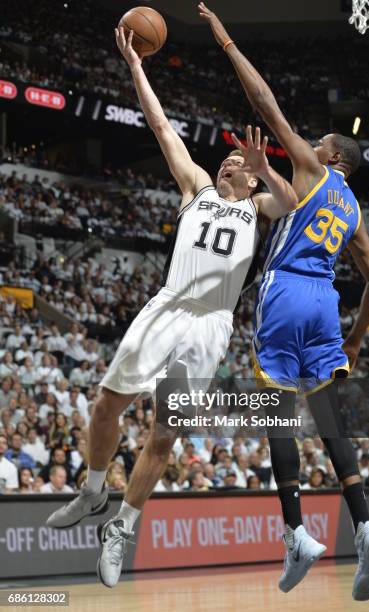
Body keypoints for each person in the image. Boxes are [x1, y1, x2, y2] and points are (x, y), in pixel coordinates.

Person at [46, 25, 297, 589]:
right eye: (231, 157)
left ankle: (121, 530)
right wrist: (136, 66)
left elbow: (290, 200)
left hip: (210, 324)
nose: (232, 160)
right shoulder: (197, 188)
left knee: (165, 433)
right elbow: (160, 125)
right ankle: (92, 489)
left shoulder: (258, 206)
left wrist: (266, 166)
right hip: (166, 307)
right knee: (108, 405)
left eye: (240, 159)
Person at [199, 2, 369, 601]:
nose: (308, 142)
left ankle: (295, 530)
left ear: (332, 157)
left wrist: (227, 43)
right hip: (326, 301)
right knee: (327, 414)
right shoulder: (354, 210)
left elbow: (266, 105)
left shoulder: (312, 167)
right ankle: (364, 527)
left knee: (275, 410)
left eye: (319, 141)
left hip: (283, 290)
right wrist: (357, 335)